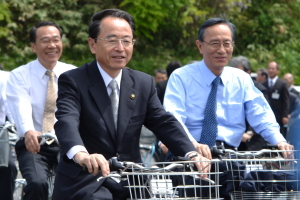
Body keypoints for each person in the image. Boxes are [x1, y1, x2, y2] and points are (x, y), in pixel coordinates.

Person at [52, 9, 209, 200]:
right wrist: (82, 155)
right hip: (86, 180)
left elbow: (162, 121)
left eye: (127, 41)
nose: (120, 48)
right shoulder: (74, 80)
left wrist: (191, 153)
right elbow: (67, 120)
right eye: (112, 40)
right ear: (92, 44)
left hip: (131, 180)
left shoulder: (143, 82)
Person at [6, 21, 76, 200]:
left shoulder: (74, 74)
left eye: (56, 40)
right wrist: (28, 131)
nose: (52, 45)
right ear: (33, 46)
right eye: (45, 41)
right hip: (34, 144)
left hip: (67, 144)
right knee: (37, 183)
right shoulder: (19, 74)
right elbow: (20, 105)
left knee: (77, 185)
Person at [229, 56, 269, 151]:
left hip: (253, 140)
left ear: (248, 73)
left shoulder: (259, 89)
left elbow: (260, 114)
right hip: (231, 139)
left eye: (239, 72)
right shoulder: (227, 87)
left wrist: (250, 132)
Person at [0, 70, 17, 200]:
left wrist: (18, 125)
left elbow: (8, 103)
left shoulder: (4, 77)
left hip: (0, 132)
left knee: (8, 166)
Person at [262, 61, 290, 137]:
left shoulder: (283, 84)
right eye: (269, 68)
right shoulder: (263, 84)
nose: (271, 70)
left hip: (278, 115)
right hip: (266, 114)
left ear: (277, 70)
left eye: (273, 69)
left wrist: (285, 115)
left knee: (278, 134)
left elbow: (286, 100)